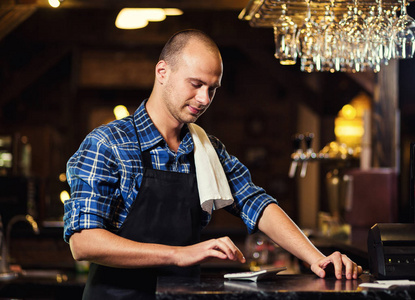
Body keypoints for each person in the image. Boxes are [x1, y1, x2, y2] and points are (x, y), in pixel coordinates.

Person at [64, 29, 362, 300]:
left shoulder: (206, 148)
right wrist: (179, 255)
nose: (204, 99)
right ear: (162, 72)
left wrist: (317, 259)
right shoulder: (108, 143)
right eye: (195, 84)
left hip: (183, 297)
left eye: (213, 88)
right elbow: (84, 243)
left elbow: (255, 203)